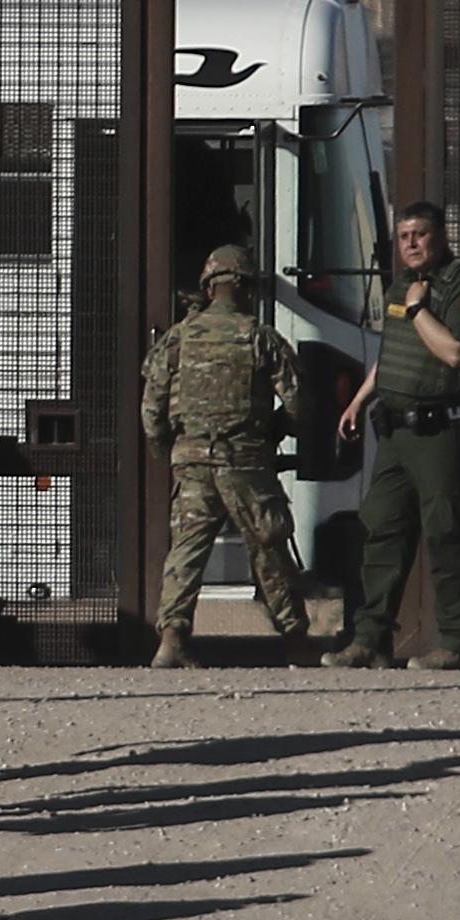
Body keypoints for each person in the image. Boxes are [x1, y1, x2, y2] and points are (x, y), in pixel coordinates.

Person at [329, 202, 460, 671]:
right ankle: (369, 639)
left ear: (440, 236)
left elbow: (456, 352)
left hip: (442, 430)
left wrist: (422, 307)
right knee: (381, 529)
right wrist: (360, 398)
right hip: (396, 430)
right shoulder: (401, 285)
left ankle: (456, 643)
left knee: (448, 533)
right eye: (403, 237)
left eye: (419, 234)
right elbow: (396, 348)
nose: (410, 245)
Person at [141, 246, 324, 671]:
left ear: (208, 288)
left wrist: (167, 449)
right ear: (245, 290)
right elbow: (300, 404)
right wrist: (277, 431)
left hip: (191, 459)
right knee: (269, 547)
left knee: (186, 550)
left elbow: (152, 407)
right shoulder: (261, 337)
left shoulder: (177, 338)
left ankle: (170, 641)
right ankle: (297, 643)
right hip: (245, 461)